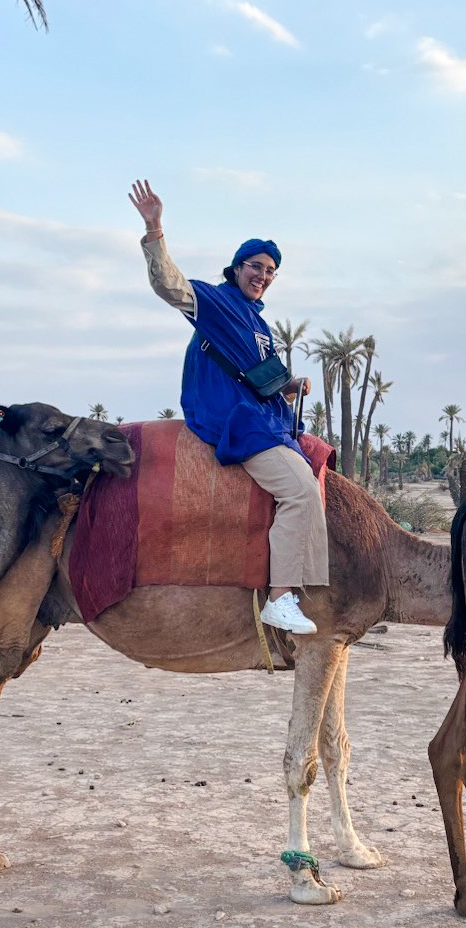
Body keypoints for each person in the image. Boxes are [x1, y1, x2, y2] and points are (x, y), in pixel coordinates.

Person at [127, 179, 325, 635]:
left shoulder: (258, 324)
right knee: (299, 492)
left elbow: (261, 377)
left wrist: (291, 384)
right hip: (238, 421)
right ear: (237, 268)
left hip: (264, 416)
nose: (263, 275)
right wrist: (154, 229)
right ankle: (280, 597)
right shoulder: (216, 302)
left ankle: (308, 588)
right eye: (256, 266)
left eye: (271, 270)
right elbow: (170, 286)